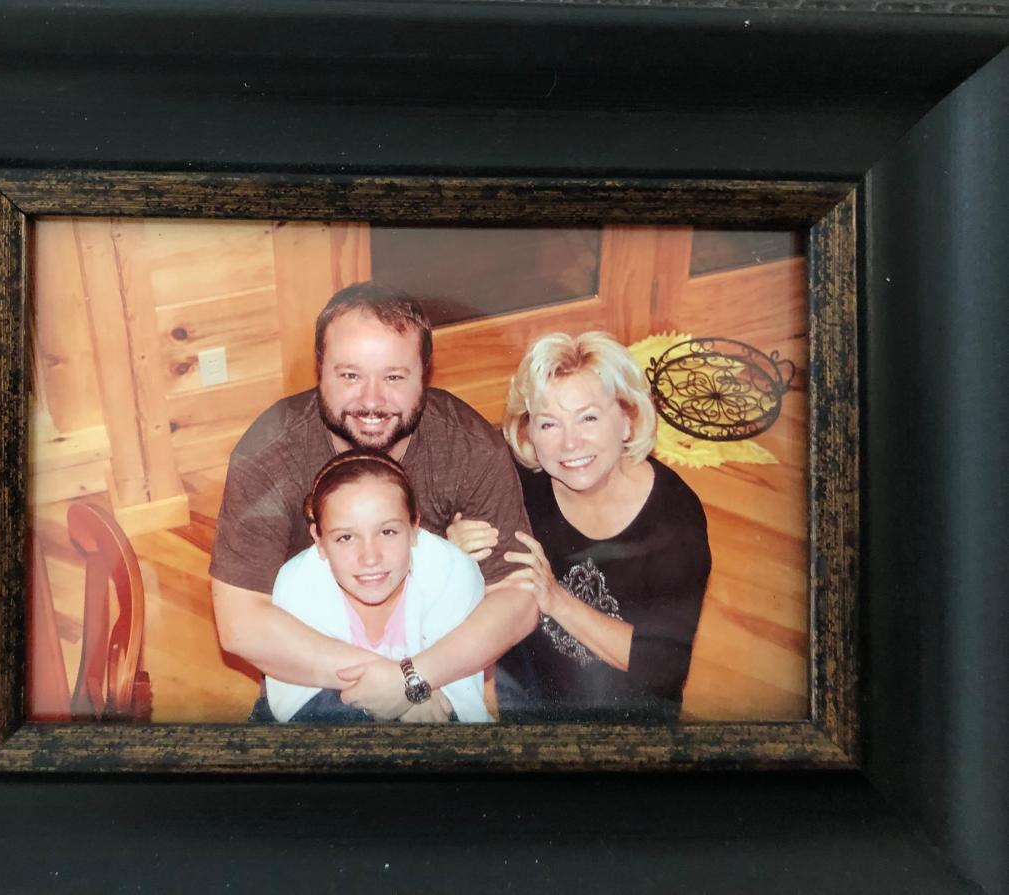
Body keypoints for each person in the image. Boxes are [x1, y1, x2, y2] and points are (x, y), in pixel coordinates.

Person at [210, 284, 535, 720]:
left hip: (432, 662)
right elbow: (240, 623)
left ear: (425, 373)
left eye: (394, 377)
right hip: (314, 665)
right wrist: (393, 681)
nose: (371, 400)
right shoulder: (268, 455)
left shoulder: (470, 448)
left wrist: (415, 677)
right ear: (319, 370)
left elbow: (518, 597)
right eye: (350, 376)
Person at [448, 331, 711, 722]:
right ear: (528, 433)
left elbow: (661, 668)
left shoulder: (675, 518)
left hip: (626, 724)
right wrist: (451, 545)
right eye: (549, 424)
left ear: (626, 421)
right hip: (526, 707)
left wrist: (556, 598)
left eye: (588, 417)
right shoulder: (512, 477)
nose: (569, 444)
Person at [258, 449, 491, 723]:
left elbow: (461, 705)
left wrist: (408, 696)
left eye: (388, 532)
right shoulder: (297, 585)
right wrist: (407, 697)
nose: (370, 558)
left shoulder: (451, 571)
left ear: (415, 526)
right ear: (319, 541)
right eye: (345, 537)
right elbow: (297, 708)